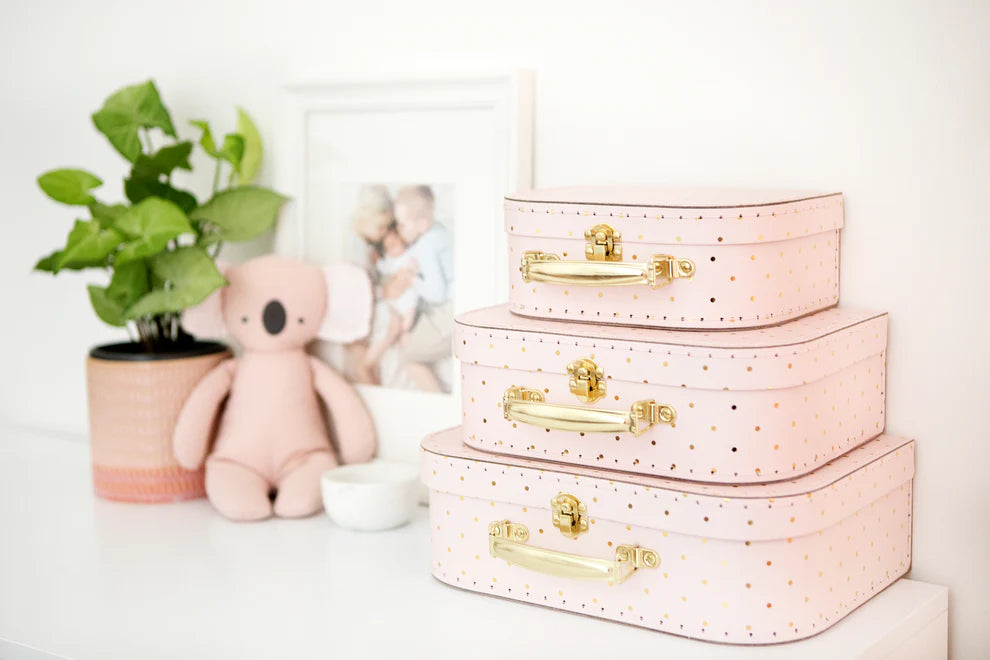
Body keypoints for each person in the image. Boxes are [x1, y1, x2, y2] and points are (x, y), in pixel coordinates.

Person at [382, 185, 453, 392]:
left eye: (403, 224)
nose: (400, 229)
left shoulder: (425, 248)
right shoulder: (439, 231)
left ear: (421, 224)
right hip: (451, 307)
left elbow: (436, 294)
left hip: (449, 314)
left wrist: (413, 279)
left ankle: (436, 401)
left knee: (406, 356)